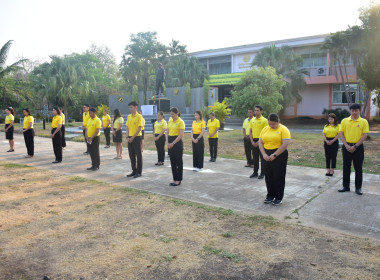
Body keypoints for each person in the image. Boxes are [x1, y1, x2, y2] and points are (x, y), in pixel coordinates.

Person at [258, 113, 291, 206]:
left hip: (279, 154)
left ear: (278, 121)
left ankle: (278, 197)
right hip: (266, 154)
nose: (271, 125)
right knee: (268, 176)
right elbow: (260, 142)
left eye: (273, 124)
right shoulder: (265, 129)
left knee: (278, 176)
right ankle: (270, 195)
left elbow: (285, 143)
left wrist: (275, 154)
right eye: (270, 124)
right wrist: (264, 154)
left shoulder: (283, 129)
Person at [338, 103, 369, 195]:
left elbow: (365, 135)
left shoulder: (363, 121)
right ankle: (345, 186)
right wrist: (346, 145)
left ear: (359, 110)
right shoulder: (344, 121)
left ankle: (358, 188)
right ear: (350, 111)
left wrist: (355, 146)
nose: (354, 112)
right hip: (346, 147)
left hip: (358, 148)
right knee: (346, 167)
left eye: (356, 110)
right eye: (352, 110)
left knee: (358, 168)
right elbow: (340, 133)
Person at [166, 107, 185, 186]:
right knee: (172, 162)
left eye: (173, 114)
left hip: (177, 142)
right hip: (170, 141)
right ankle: (174, 179)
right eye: (170, 114)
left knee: (178, 162)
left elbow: (181, 135)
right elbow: (167, 132)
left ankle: (179, 179)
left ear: (177, 114)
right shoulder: (170, 120)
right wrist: (167, 142)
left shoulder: (181, 122)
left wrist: (173, 143)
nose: (171, 116)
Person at [249, 105, 268, 179]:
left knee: (262, 158)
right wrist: (252, 141)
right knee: (255, 157)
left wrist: (259, 142)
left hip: (261, 141)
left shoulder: (264, 120)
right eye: (255, 110)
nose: (256, 112)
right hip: (253, 140)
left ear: (261, 111)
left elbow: (265, 132)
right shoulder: (252, 120)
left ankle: (262, 173)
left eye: (257, 110)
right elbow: (250, 131)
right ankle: (255, 172)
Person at [126, 101, 143, 178]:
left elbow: (139, 128)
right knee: (131, 155)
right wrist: (127, 137)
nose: (130, 109)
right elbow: (127, 127)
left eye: (131, 107)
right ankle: (134, 170)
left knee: (138, 155)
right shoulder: (129, 116)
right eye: (129, 107)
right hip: (129, 138)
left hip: (136, 138)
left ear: (136, 107)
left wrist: (132, 138)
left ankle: (139, 172)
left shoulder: (139, 116)